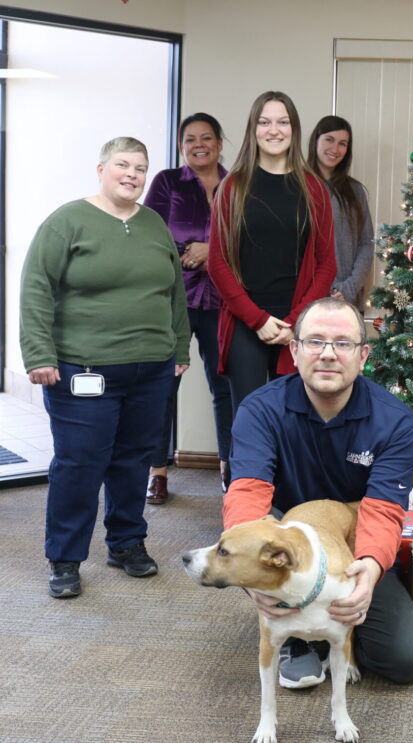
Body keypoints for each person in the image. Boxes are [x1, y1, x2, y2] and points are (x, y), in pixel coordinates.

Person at [222, 296, 413, 688]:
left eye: (343, 343)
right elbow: (247, 495)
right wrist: (251, 579)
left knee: (404, 660)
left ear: (363, 355)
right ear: (295, 351)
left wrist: (369, 569)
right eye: (315, 341)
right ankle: (300, 638)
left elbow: (384, 510)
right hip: (284, 543)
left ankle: (331, 625)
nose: (328, 354)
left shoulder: (397, 423)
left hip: (353, 544)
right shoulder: (259, 411)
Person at [20, 137, 190, 599]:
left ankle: (127, 543)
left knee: (133, 460)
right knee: (79, 464)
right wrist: (38, 354)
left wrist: (178, 350)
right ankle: (66, 558)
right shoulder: (67, 222)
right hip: (83, 370)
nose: (132, 174)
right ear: (101, 169)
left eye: (140, 167)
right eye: (123, 165)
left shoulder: (154, 224)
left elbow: (174, 292)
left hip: (150, 369)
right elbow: (36, 287)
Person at [208, 91, 335, 415]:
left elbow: (326, 264)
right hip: (246, 323)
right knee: (249, 423)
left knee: (297, 424)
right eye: (264, 122)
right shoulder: (233, 187)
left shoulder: (313, 188)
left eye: (282, 122)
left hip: (297, 324)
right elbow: (218, 263)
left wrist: (296, 322)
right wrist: (258, 319)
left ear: (294, 129)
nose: (274, 130)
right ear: (254, 129)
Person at [143, 113, 233, 503]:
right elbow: (151, 234)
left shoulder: (238, 185)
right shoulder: (167, 182)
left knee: (226, 388)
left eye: (207, 137)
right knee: (163, 388)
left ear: (219, 143)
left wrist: (210, 251)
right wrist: (186, 253)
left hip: (223, 301)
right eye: (190, 139)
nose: (199, 144)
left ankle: (232, 469)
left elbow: (247, 241)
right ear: (181, 146)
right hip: (173, 300)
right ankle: (157, 472)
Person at [307, 115, 374, 307]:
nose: (335, 149)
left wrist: (348, 289)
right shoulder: (297, 186)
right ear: (316, 140)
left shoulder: (355, 191)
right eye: (329, 140)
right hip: (307, 300)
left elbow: (366, 243)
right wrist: (322, 289)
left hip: (347, 300)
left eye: (342, 143)